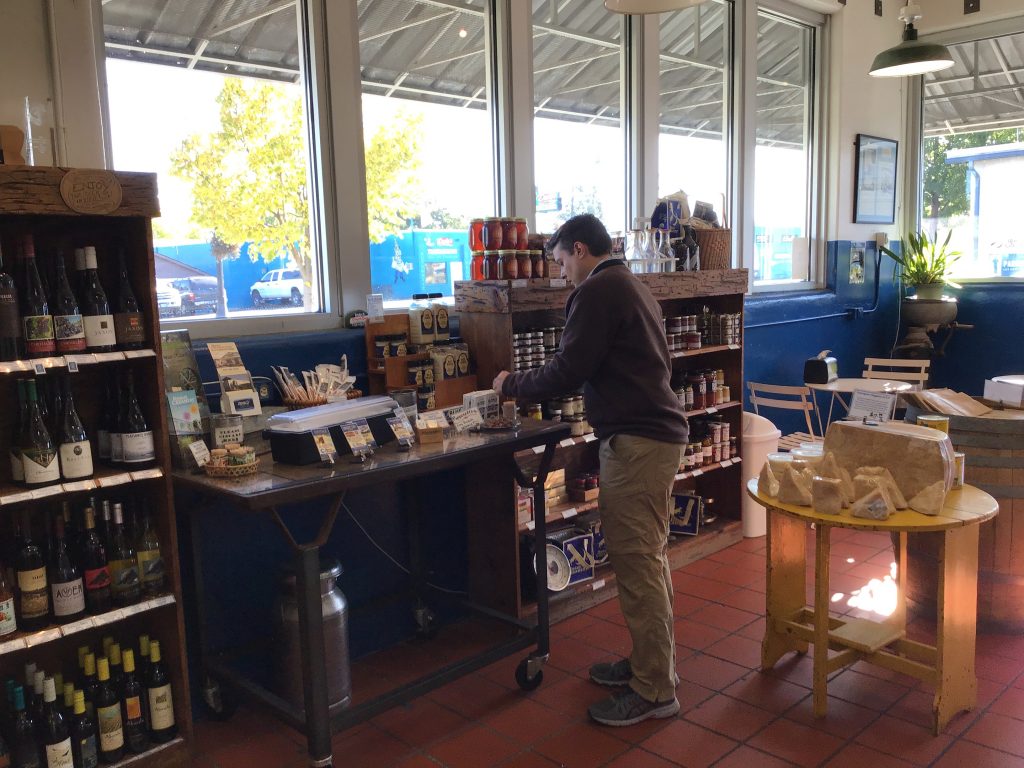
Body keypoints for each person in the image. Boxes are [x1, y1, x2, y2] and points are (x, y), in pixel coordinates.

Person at [492, 213, 688, 726]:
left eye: (560, 262)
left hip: (638, 442)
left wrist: (510, 384)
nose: (561, 273)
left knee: (637, 562)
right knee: (648, 557)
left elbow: (569, 369)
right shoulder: (631, 284)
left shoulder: (600, 290)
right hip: (652, 437)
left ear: (579, 249)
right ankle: (651, 665)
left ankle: (654, 690)